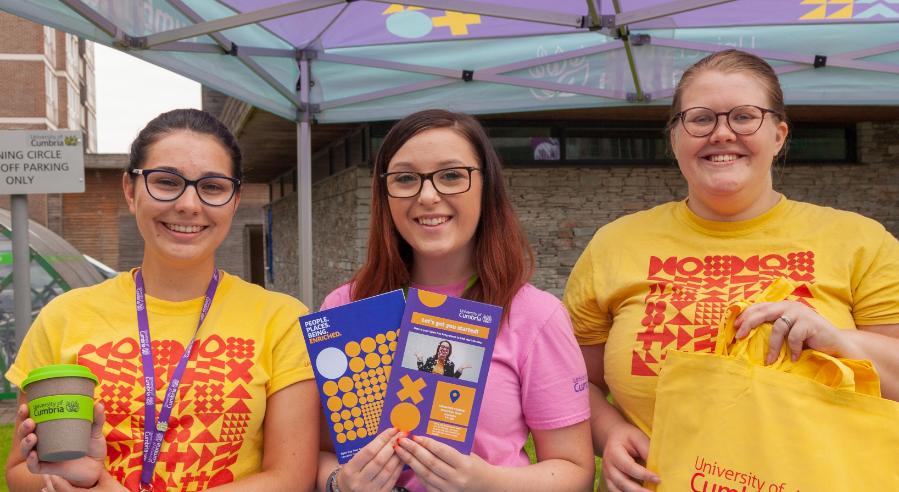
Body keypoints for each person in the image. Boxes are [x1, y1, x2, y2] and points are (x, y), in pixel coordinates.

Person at [563, 49, 899, 492]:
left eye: (744, 116)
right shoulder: (615, 244)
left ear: (779, 135)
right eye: (700, 119)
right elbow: (569, 380)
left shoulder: (859, 240)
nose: (722, 134)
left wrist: (842, 341)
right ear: (675, 137)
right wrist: (609, 433)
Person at [5, 109, 319, 492]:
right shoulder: (64, 317)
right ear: (130, 190)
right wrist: (71, 483)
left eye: (213, 186)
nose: (189, 204)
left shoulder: (281, 319)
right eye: (167, 182)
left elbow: (291, 476)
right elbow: (21, 470)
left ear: (235, 200)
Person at [316, 109, 594, 492]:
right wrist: (338, 483)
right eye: (405, 178)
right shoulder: (346, 307)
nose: (428, 196)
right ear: (385, 192)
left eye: (450, 175)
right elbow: (319, 449)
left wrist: (490, 483)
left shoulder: (536, 315)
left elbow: (575, 470)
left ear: (487, 185)